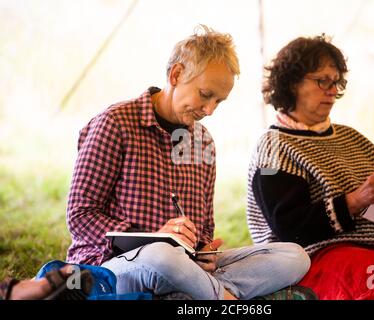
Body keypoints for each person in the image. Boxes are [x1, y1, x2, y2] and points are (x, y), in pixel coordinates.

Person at [65, 25, 312, 300]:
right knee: (161, 255)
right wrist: (151, 237)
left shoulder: (203, 142)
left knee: (294, 256)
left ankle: (189, 294)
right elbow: (80, 215)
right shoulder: (114, 124)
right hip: (115, 267)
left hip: (185, 268)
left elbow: (204, 228)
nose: (209, 110)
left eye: (219, 101)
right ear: (176, 74)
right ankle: (223, 298)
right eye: (205, 95)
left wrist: (205, 250)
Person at [247, 34, 374, 300]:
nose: (332, 90)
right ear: (292, 82)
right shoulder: (273, 148)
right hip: (319, 259)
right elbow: (289, 229)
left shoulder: (353, 138)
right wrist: (353, 201)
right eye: (322, 81)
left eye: (336, 82)